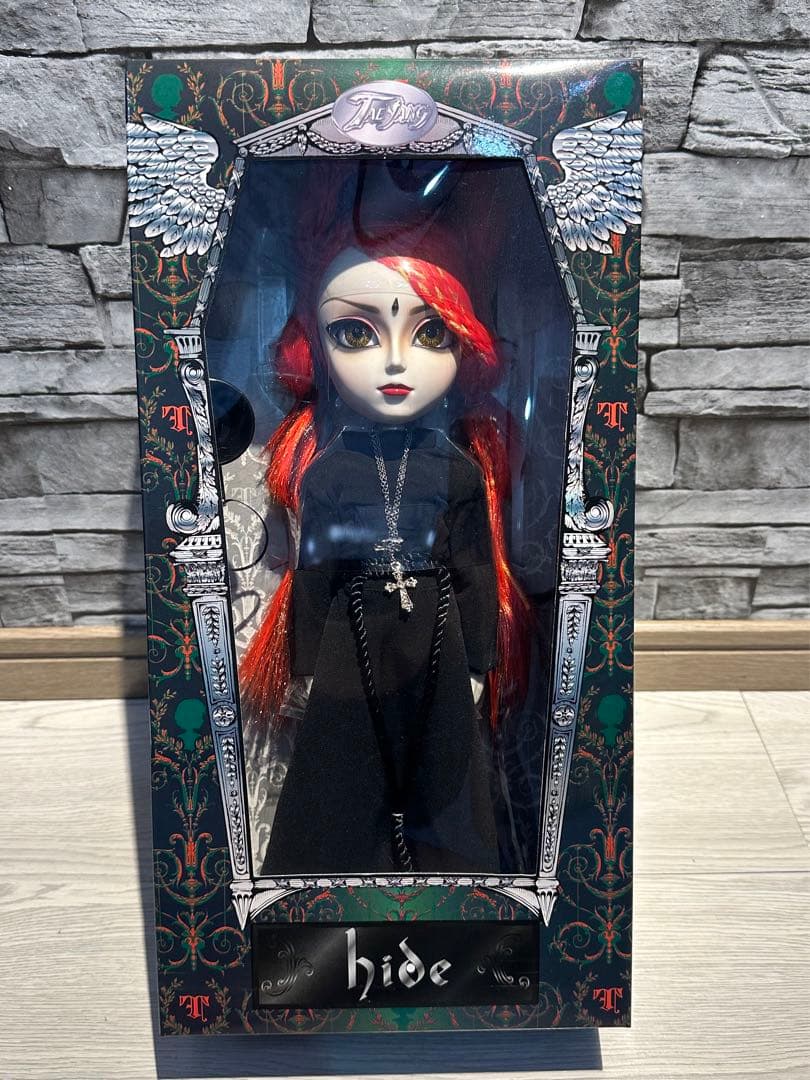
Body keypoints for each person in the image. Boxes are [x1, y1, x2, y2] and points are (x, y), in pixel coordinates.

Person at [240, 232, 531, 875]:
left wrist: (478, 662)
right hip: (351, 636)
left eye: (431, 334)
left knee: (444, 767)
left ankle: (451, 883)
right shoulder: (328, 472)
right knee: (343, 761)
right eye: (356, 334)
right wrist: (305, 663)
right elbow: (315, 573)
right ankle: (329, 881)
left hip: (438, 635)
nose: (396, 364)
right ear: (313, 349)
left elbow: (474, 571)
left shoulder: (456, 470)